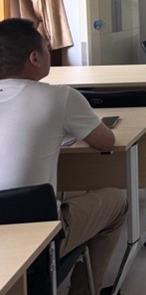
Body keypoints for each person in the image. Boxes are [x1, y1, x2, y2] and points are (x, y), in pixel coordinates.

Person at [0, 18, 127, 295]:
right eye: (46, 47)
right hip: (37, 233)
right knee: (117, 201)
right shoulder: (60, 97)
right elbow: (106, 141)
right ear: (34, 58)